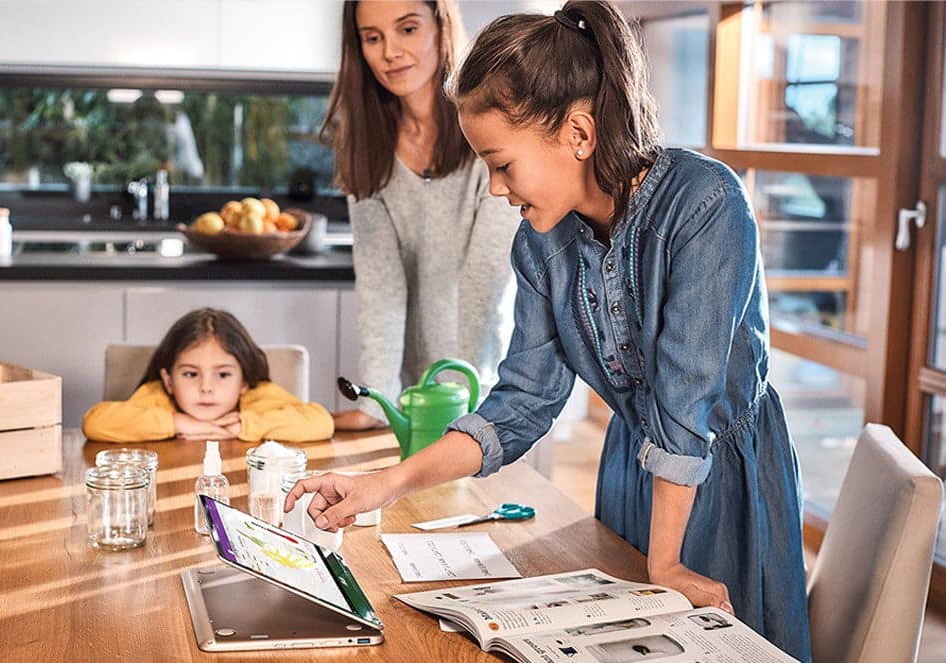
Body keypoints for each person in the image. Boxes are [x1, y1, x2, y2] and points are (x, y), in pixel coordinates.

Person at [286, 2, 811, 660]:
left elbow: (686, 399)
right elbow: (522, 401)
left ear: (578, 134)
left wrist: (666, 561)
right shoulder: (542, 243)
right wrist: (382, 484)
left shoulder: (704, 204)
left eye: (502, 164)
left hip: (725, 474)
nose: (496, 188)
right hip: (631, 469)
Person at [321, 0, 521, 430]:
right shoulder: (365, 143)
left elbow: (486, 277)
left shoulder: (492, 123)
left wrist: (465, 396)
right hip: (420, 392)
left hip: (492, 387)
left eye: (407, 29)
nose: (390, 51)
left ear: (440, 26)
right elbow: (381, 286)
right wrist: (378, 402)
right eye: (372, 38)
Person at [82, 308, 334, 443]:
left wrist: (243, 426)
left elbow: (322, 422)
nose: (206, 388)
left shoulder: (259, 397)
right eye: (191, 374)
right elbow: (95, 423)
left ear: (244, 381)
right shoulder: (158, 396)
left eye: (223, 375)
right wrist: (180, 423)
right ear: (169, 380)